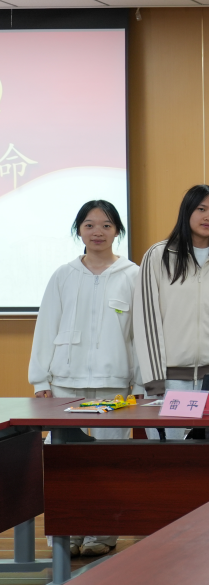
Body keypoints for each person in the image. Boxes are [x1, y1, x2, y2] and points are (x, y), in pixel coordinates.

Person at [30, 200, 141, 555]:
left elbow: (140, 334)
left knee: (110, 460)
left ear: (117, 231)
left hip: (114, 383)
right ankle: (67, 532)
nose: (98, 232)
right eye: (90, 225)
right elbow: (46, 326)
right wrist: (40, 381)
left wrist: (140, 382)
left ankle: (102, 534)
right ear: (79, 230)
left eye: (106, 225)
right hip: (65, 382)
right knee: (65, 463)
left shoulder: (133, 275)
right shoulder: (63, 275)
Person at [135, 184, 209, 400]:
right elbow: (147, 321)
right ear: (187, 211)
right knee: (172, 426)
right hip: (171, 378)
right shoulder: (158, 256)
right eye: (201, 209)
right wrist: (154, 379)